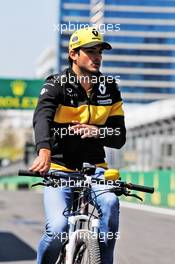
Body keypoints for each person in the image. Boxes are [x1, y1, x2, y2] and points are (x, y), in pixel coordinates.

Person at [30, 26, 126, 264]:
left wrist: (98, 132)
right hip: (59, 169)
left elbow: (119, 137)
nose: (97, 57)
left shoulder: (110, 87)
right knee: (58, 228)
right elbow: (41, 117)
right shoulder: (56, 84)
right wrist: (44, 151)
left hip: (96, 169)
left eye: (100, 52)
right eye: (90, 51)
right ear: (73, 54)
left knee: (111, 203)